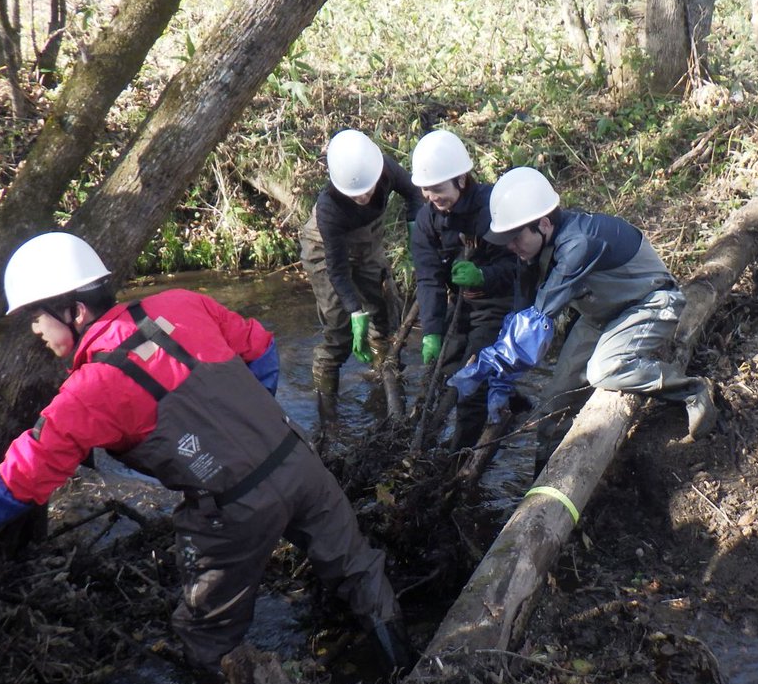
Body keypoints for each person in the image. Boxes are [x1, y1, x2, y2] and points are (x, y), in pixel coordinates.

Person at [0, 232, 415, 676]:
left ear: (74, 310)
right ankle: (410, 678)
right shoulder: (182, 303)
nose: (35, 331)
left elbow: (15, 485)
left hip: (232, 512)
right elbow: (261, 347)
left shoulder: (86, 392)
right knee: (359, 570)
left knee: (205, 634)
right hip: (300, 463)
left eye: (37, 317)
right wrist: (249, 425)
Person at [448, 166, 717, 473]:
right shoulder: (529, 253)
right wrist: (502, 379)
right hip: (601, 316)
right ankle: (543, 481)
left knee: (604, 369)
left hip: (651, 304)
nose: (510, 245)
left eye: (514, 236)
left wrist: (492, 363)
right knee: (552, 404)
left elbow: (540, 318)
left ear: (544, 224)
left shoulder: (578, 243)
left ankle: (692, 390)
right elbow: (520, 317)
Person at [300, 129, 423, 435]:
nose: (364, 197)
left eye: (367, 190)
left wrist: (415, 231)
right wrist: (355, 312)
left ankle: (385, 380)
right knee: (339, 328)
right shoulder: (330, 207)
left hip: (368, 240)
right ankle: (327, 414)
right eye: (356, 194)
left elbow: (414, 194)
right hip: (325, 249)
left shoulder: (384, 168)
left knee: (384, 311)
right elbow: (338, 273)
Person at [408, 128, 518, 451]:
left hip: (497, 306)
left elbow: (517, 268)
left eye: (437, 189)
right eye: (426, 191)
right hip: (460, 306)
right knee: (441, 372)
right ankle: (422, 444)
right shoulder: (428, 221)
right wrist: (431, 331)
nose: (431, 197)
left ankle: (462, 453)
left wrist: (483, 276)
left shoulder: (491, 208)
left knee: (472, 380)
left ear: (461, 179)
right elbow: (428, 278)